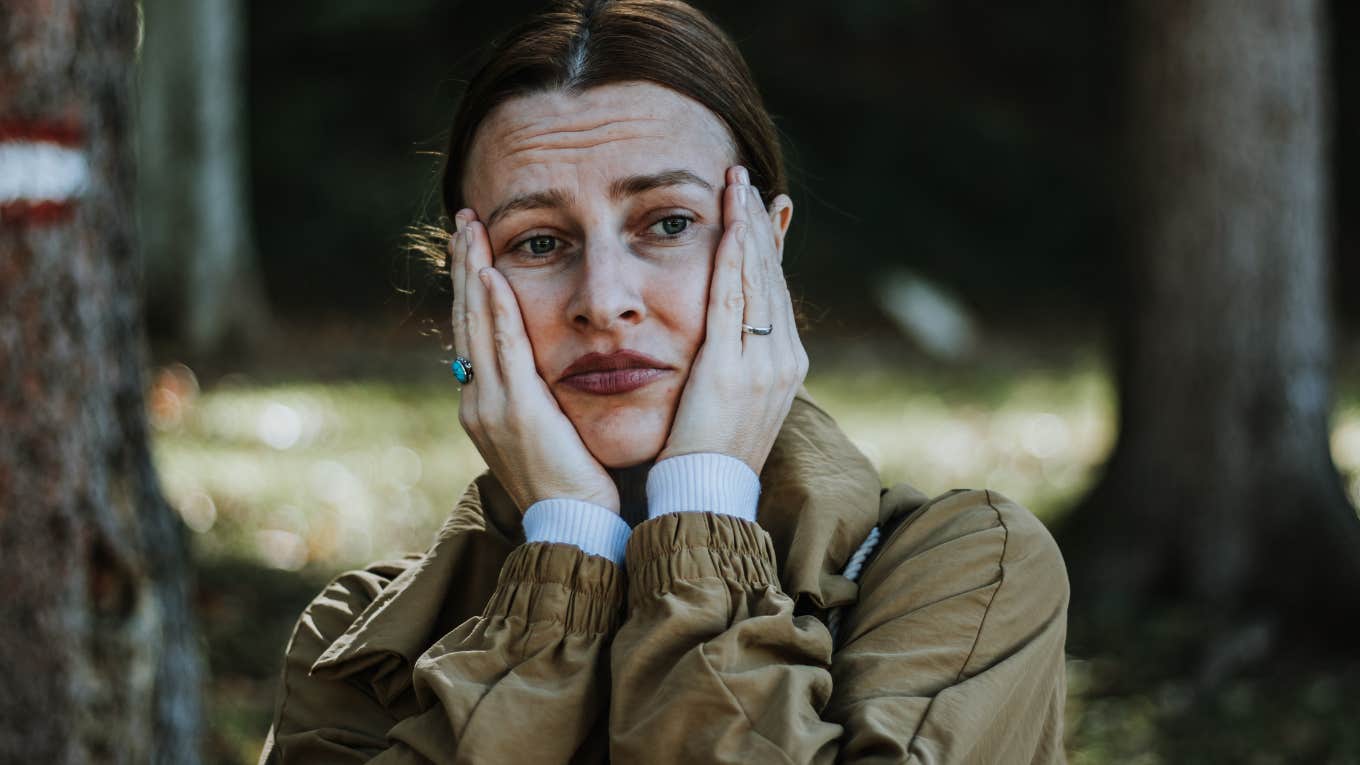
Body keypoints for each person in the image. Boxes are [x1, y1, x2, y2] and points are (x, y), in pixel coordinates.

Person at [258, 1, 1070, 762]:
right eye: (539, 242)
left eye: (668, 223)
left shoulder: (973, 571)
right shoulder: (357, 636)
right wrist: (566, 552)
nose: (604, 302)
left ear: (764, 247)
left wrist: (702, 512)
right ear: (469, 288)